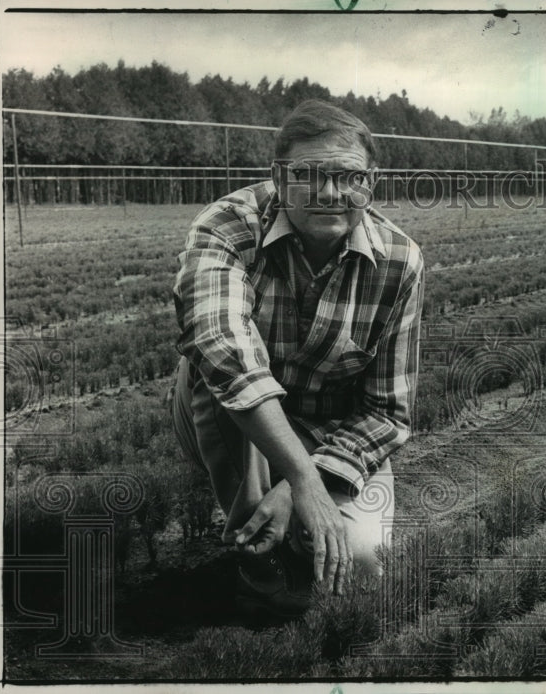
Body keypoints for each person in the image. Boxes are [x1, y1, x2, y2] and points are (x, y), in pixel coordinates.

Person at [171, 99, 424, 618]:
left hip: (330, 426)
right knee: (218, 371)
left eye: (348, 177)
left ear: (370, 181)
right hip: (234, 415)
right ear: (278, 177)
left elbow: (387, 412)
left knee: (362, 564)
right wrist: (304, 481)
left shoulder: (400, 262)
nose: (330, 193)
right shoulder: (227, 227)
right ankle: (255, 565)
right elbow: (223, 353)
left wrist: (300, 483)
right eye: (308, 175)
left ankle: (280, 512)